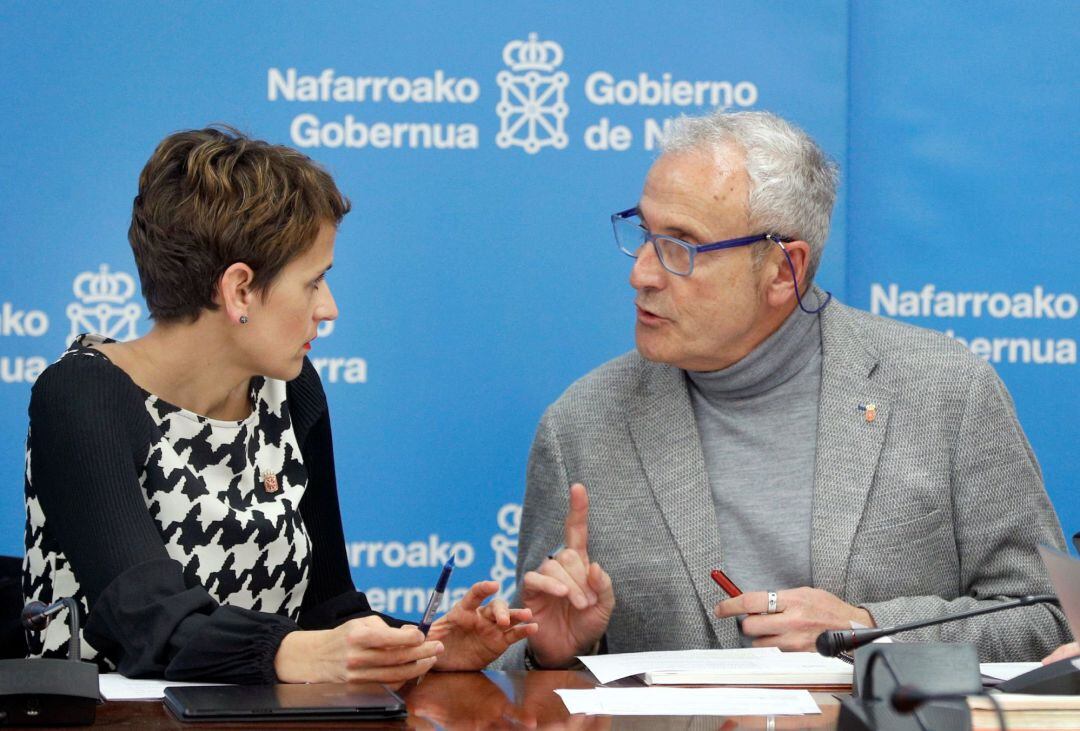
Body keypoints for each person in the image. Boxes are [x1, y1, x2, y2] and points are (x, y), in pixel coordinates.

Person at [507, 110, 1071, 667]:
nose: (642, 274)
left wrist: (871, 632)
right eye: (644, 233)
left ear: (783, 270)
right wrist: (549, 652)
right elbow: (529, 648)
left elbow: (1051, 620)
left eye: (681, 247)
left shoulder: (946, 391)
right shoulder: (581, 424)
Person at [22, 126, 536, 684]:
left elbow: (326, 608)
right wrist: (294, 654)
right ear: (240, 290)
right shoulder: (81, 397)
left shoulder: (292, 389)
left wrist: (422, 646)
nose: (330, 308)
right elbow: (149, 622)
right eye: (314, 282)